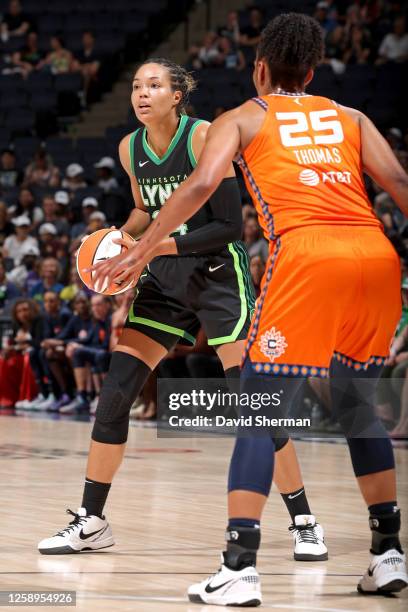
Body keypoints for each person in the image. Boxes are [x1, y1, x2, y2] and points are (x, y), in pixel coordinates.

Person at [94, 14, 408, 604]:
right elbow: (399, 183)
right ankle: (388, 555)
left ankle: (239, 566)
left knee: (260, 409)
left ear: (259, 68)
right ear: (313, 71)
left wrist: (142, 247)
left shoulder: (241, 117)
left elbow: (199, 187)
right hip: (376, 256)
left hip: (310, 255)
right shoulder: (352, 117)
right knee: (358, 404)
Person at [38, 58, 327, 564]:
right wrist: (119, 243)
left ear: (178, 95)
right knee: (114, 394)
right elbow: (145, 213)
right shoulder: (130, 149)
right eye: (135, 85)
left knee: (254, 403)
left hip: (217, 276)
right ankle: (92, 521)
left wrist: (151, 248)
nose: (141, 93)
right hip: (165, 282)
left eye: (154, 85)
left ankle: (304, 520)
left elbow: (226, 227)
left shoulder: (203, 137)